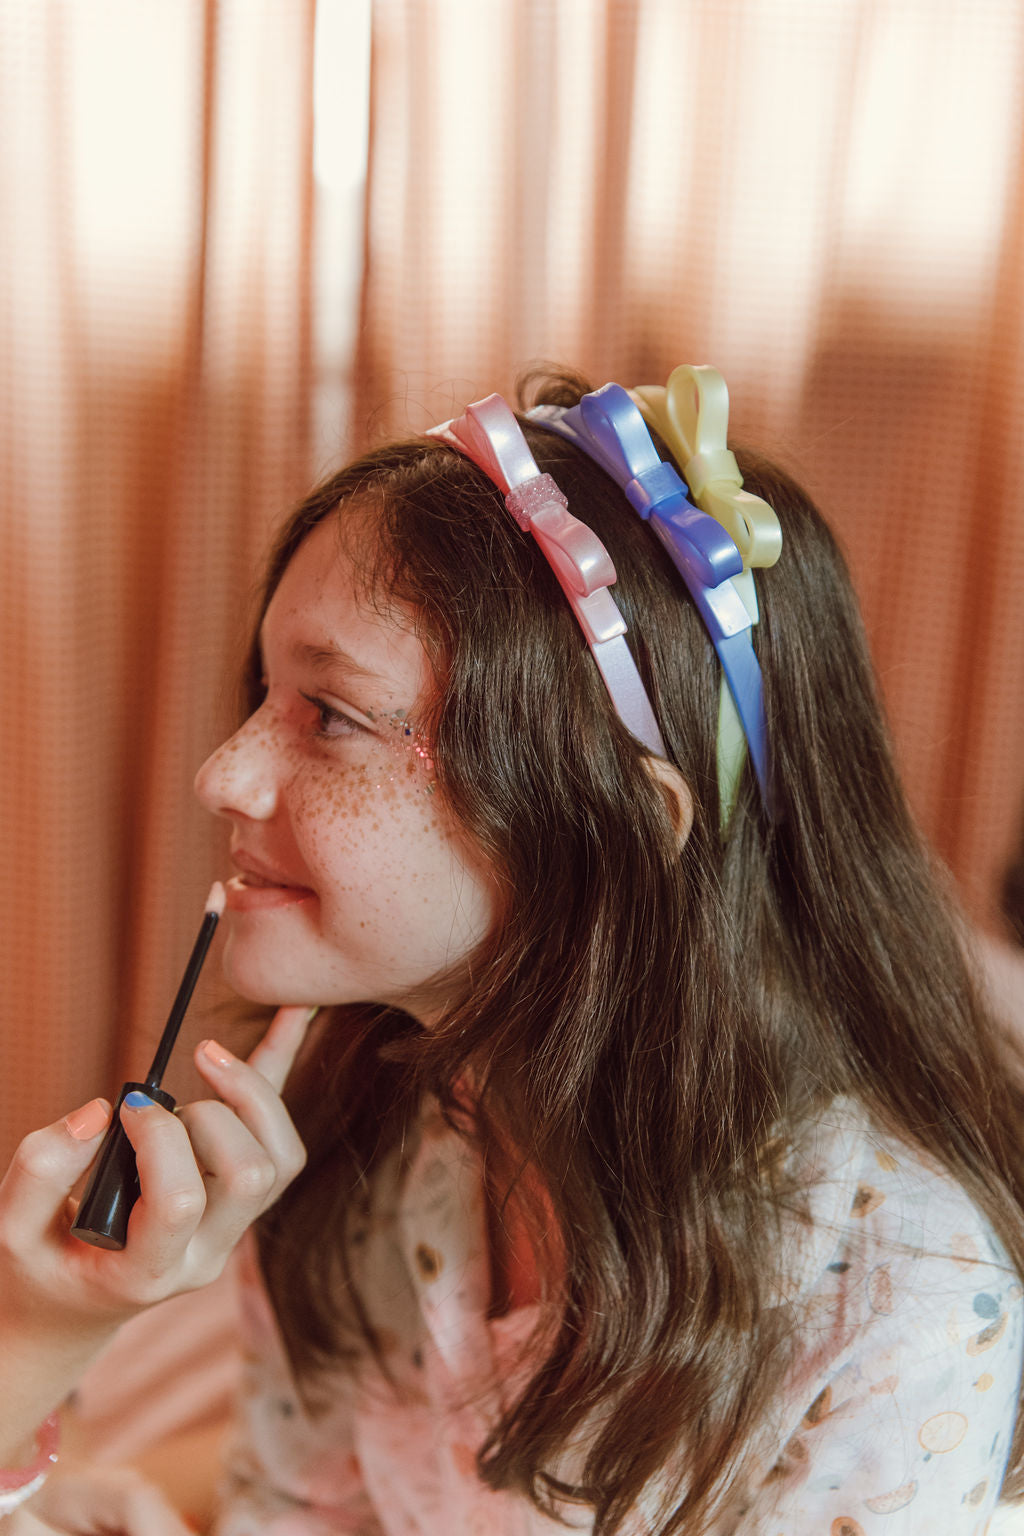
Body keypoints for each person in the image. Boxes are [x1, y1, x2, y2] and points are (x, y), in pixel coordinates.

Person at [5, 364, 1024, 1535]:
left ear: (620, 821)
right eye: (263, 696)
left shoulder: (903, 1293)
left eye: (330, 716)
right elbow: (295, 1509)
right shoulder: (359, 1150)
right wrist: (44, 1331)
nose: (221, 774)